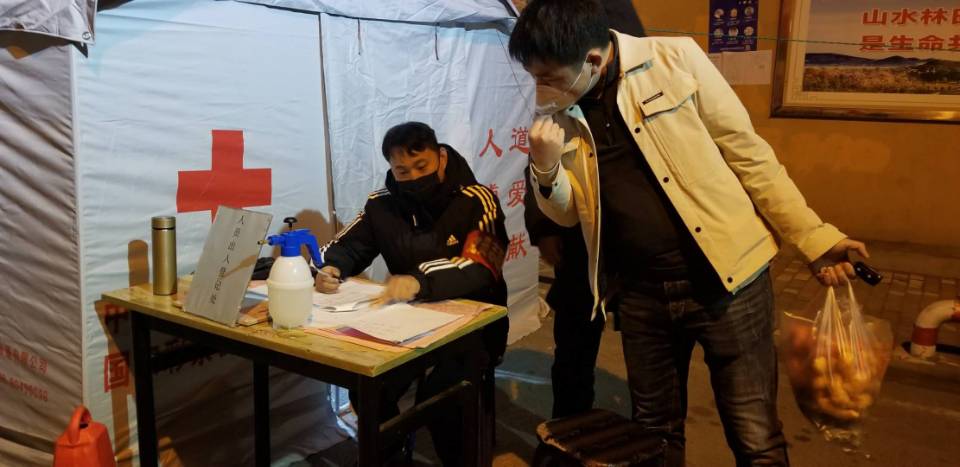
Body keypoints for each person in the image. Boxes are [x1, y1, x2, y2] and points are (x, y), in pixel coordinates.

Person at [509, 1, 868, 465]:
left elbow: (749, 156)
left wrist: (815, 239)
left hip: (729, 284)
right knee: (654, 432)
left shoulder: (674, 59)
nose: (541, 91)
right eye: (534, 77)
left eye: (549, 77)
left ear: (592, 60)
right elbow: (566, 216)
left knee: (755, 435)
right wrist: (545, 168)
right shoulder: (560, 114)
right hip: (640, 294)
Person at [316, 122, 509, 466]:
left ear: (441, 157)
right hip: (406, 323)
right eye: (402, 171)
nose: (414, 177)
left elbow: (483, 264)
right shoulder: (381, 205)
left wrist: (420, 282)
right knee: (368, 386)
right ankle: (390, 457)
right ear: (391, 168)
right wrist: (331, 267)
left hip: (474, 327)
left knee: (443, 397)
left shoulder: (476, 200)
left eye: (422, 166)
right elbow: (349, 245)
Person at [520, 0, 647, 421]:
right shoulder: (563, 85)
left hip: (639, 246)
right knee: (573, 345)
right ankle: (568, 427)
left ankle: (646, 433)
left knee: (651, 355)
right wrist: (544, 229)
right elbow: (540, 159)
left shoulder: (640, 73)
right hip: (578, 239)